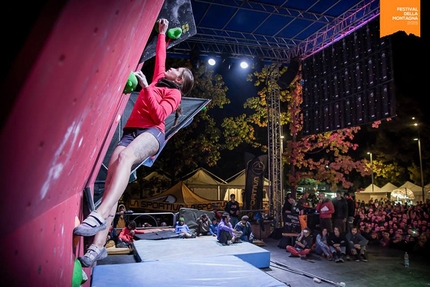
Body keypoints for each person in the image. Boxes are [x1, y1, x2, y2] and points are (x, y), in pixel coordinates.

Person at [73, 18, 194, 267]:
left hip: (152, 133)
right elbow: (160, 57)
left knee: (127, 158)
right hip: (131, 131)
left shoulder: (175, 93)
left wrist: (145, 87)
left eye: (177, 71)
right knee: (111, 182)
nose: (172, 69)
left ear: (180, 80)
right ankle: (97, 247)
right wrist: (161, 33)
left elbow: (160, 115)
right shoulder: (161, 77)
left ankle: (98, 214)